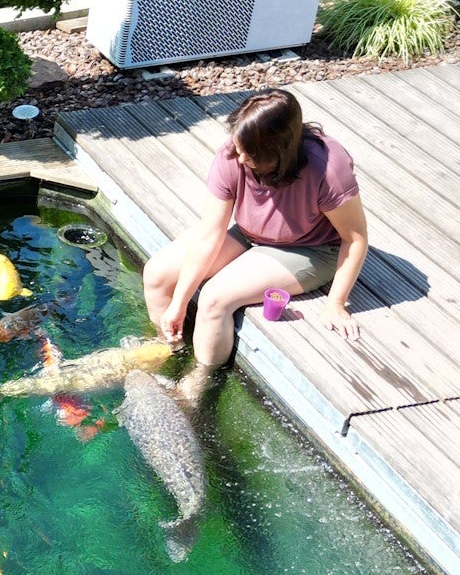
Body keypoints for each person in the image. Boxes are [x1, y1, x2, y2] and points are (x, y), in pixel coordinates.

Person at [142, 88, 369, 401]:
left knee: (214, 299)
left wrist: (336, 303)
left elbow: (355, 238)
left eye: (252, 154)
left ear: (280, 150)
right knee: (157, 274)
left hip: (308, 249)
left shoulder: (327, 168)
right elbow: (210, 234)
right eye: (239, 147)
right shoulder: (235, 152)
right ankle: (172, 348)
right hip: (251, 234)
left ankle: (196, 393)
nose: (241, 158)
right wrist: (179, 303)